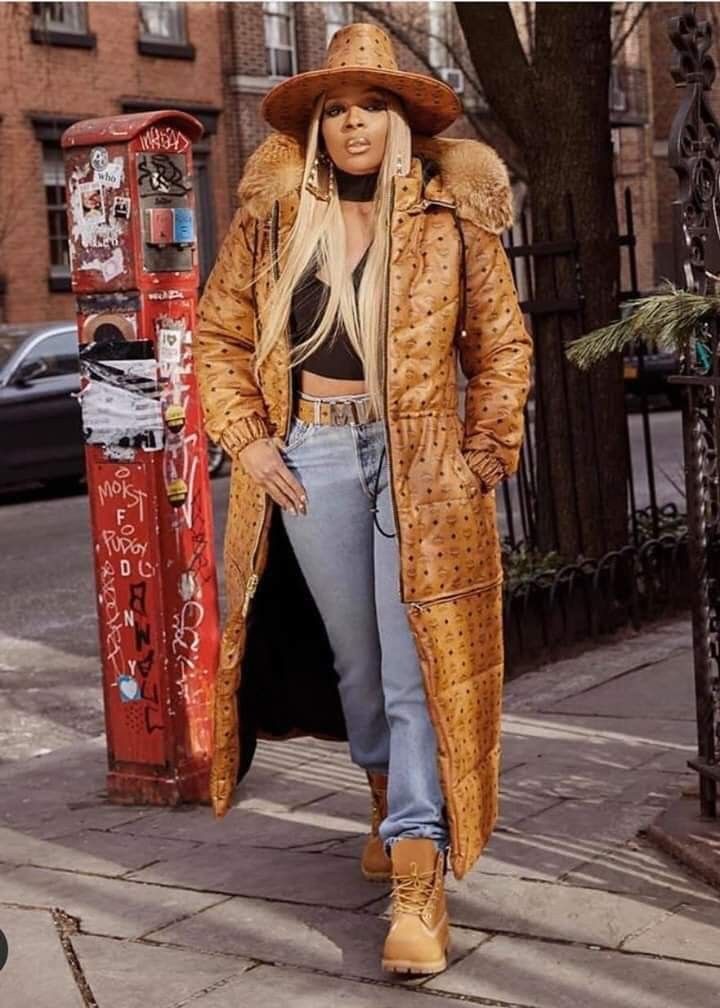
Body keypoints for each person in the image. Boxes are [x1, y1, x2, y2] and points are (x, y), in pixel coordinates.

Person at [194, 22, 533, 977]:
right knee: (356, 662)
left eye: (369, 107)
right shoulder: (273, 221)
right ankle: (387, 804)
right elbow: (218, 335)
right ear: (317, 127)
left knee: (412, 665)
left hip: (424, 461)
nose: (351, 125)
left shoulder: (447, 218)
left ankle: (418, 876)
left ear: (399, 121)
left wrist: (482, 454)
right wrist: (252, 441)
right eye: (336, 110)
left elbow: (501, 347)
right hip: (314, 454)